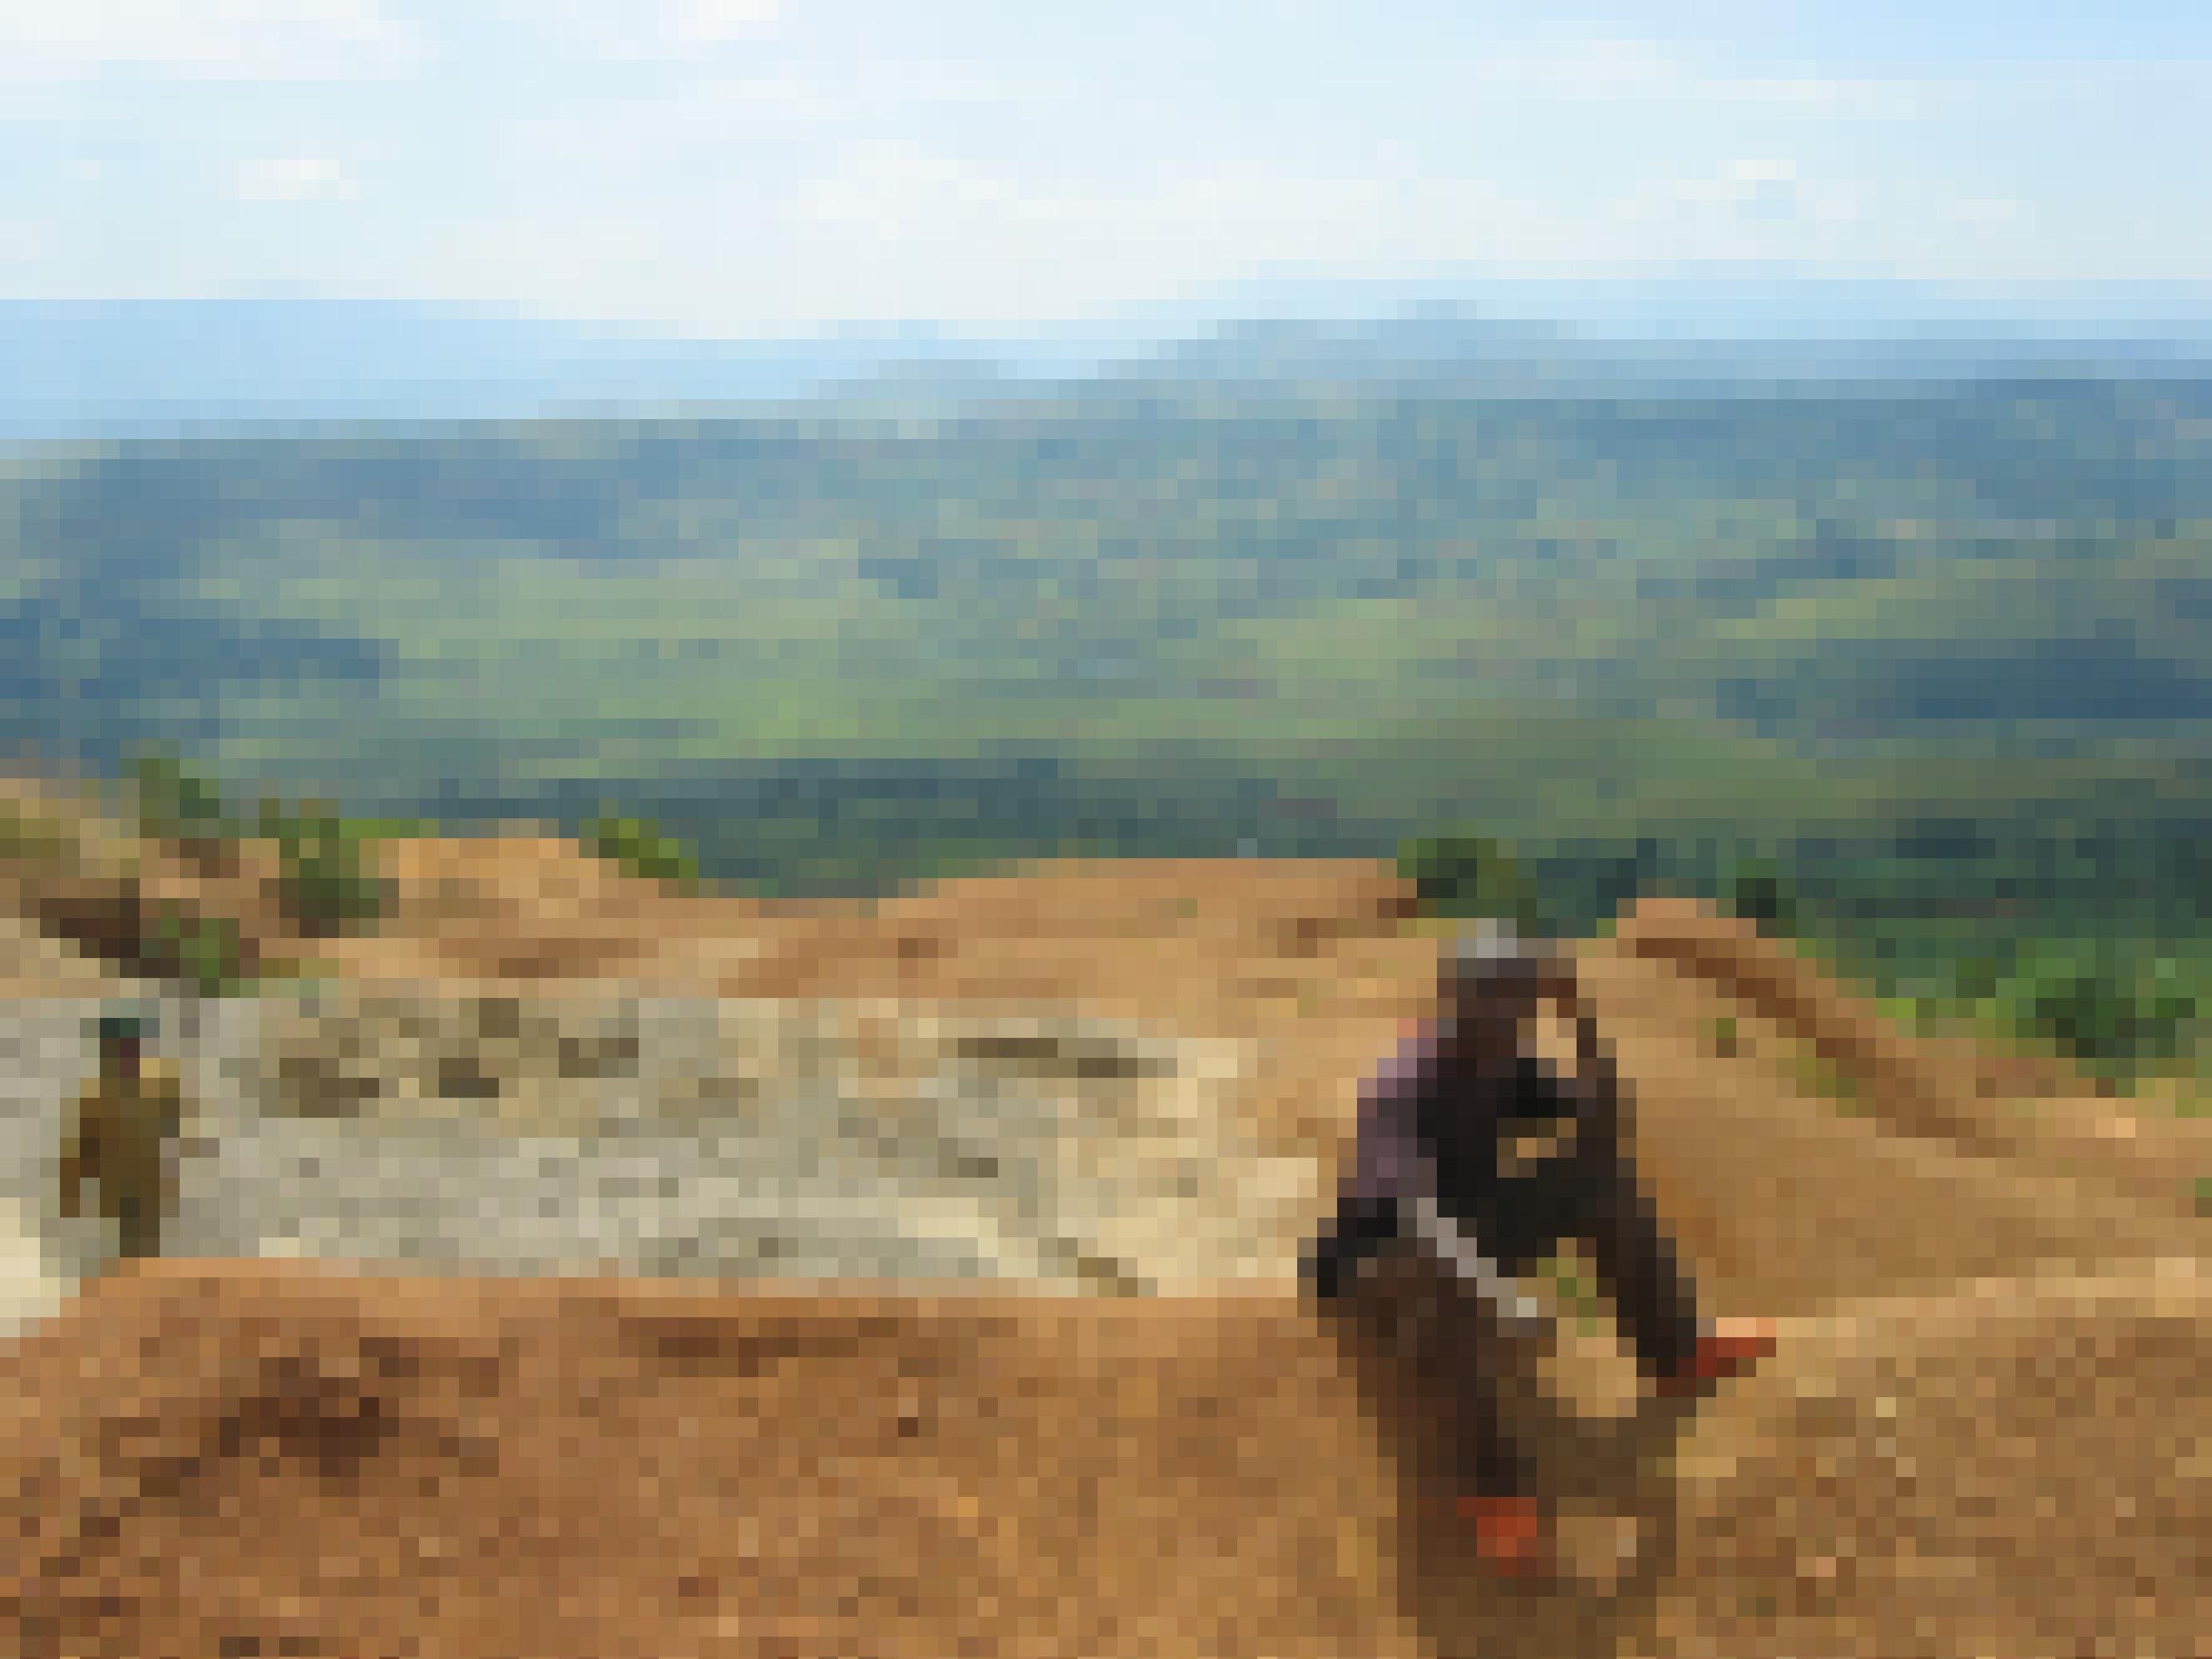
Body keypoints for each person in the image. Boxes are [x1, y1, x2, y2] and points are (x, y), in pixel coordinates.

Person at [1303, 922, 1775, 1579]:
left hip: (1468, 1224)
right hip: (1380, 1255)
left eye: (1520, 1001)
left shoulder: (1508, 1067)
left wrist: (1578, 1014)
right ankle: (1491, 1489)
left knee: (1598, 1184)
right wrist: (1502, 1298)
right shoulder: (1402, 1085)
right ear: (1453, 1002)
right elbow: (1415, 1217)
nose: (1507, 1016)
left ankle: (1675, 1348)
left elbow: (1605, 1129)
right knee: (1448, 1293)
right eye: (1491, 999)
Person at [58, 1009, 190, 1267]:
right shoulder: (96, 1102)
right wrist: (70, 1196)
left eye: (128, 1051)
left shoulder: (154, 1094)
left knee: (144, 1257)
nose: (124, 1059)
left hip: (146, 1192)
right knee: (123, 1259)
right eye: (118, 1051)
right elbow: (81, 1151)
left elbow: (173, 1135)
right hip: (116, 1197)